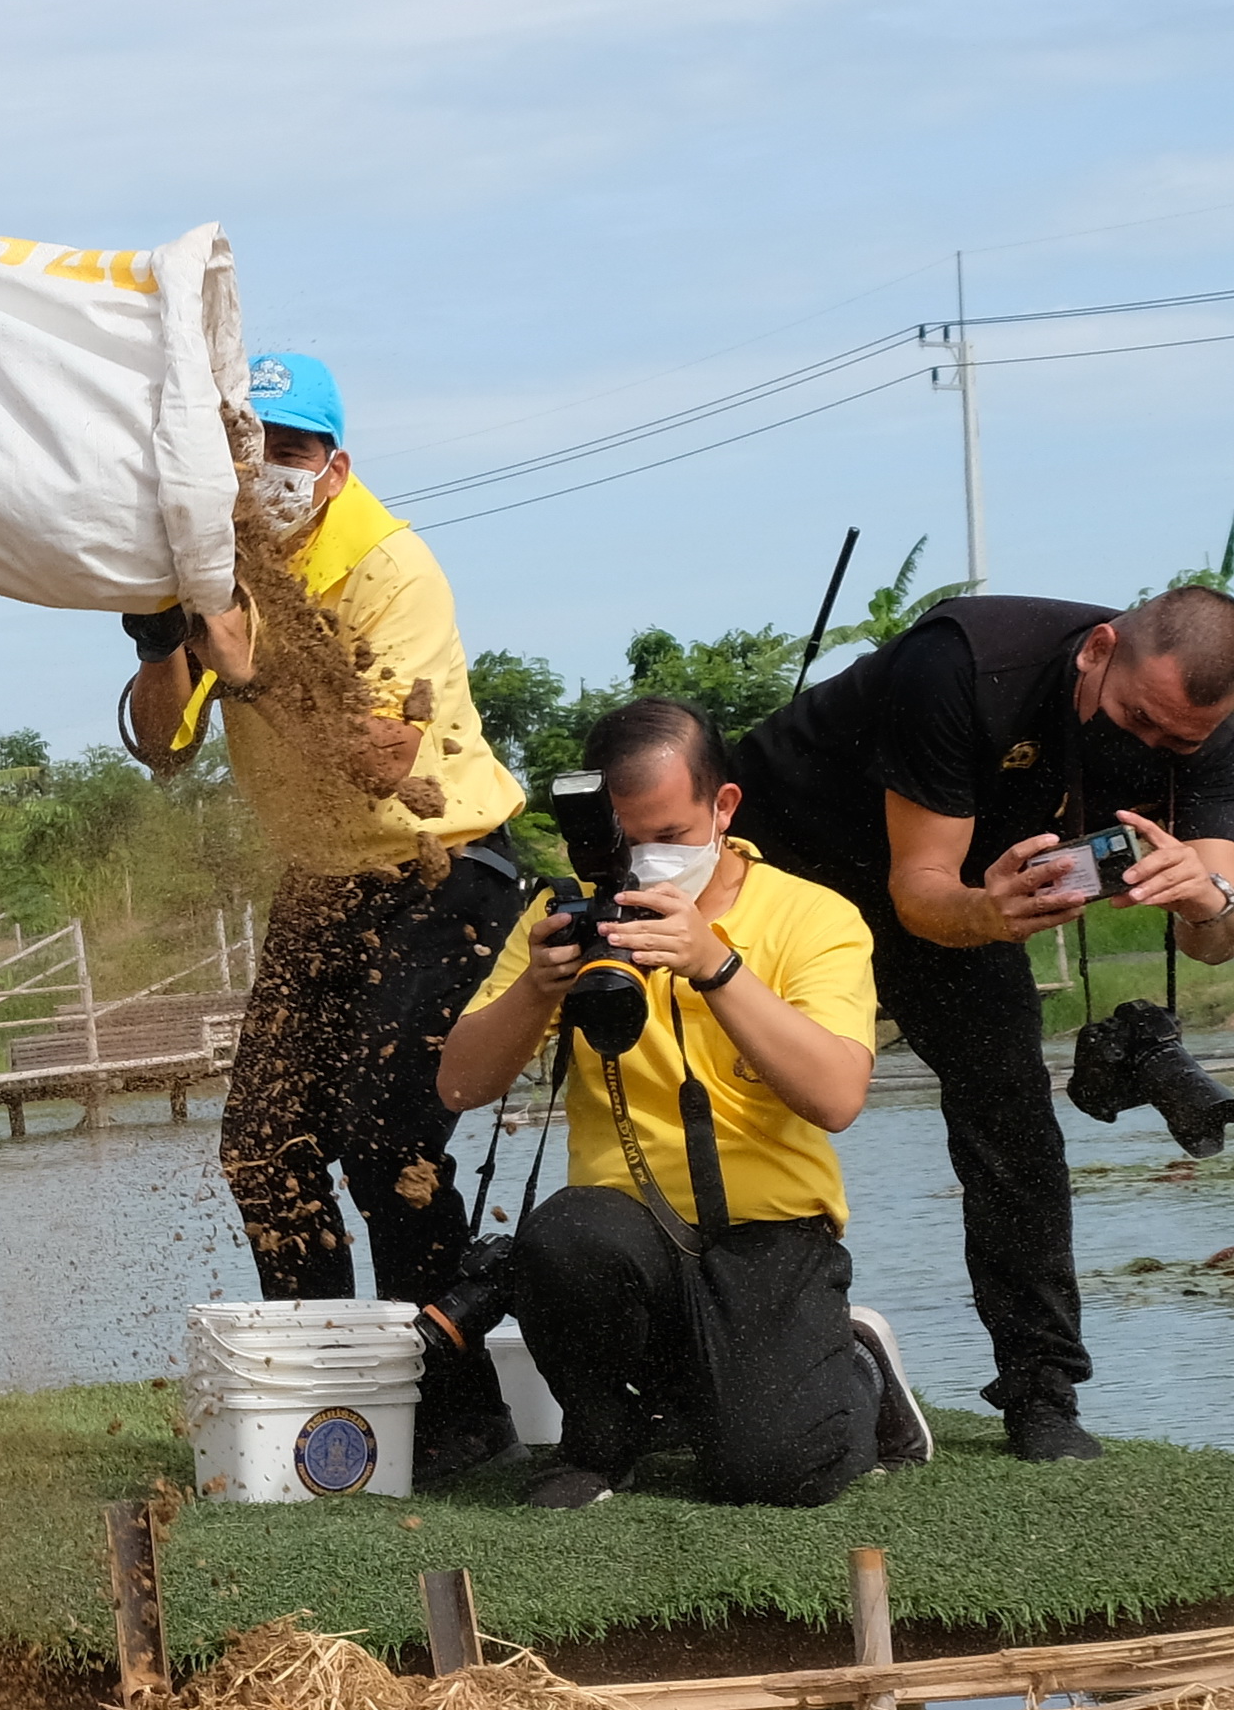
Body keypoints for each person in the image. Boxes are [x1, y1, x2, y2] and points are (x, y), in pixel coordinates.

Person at [119, 351, 528, 1476]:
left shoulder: (391, 565)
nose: (267, 475)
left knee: (386, 1138)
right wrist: (159, 643)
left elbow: (384, 759)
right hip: (322, 884)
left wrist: (252, 677)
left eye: (290, 452)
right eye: (248, 454)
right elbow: (161, 745)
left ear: (335, 466)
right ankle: (334, 1403)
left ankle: (462, 1419)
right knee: (262, 1149)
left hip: (442, 868)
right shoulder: (215, 566)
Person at [730, 586, 1234, 1459]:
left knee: (1012, 1113)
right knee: (732, 1097)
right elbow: (917, 892)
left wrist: (1208, 898)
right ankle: (711, 1354)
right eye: (1136, 720)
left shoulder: (1214, 728)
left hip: (970, 884)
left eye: (1175, 743)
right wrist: (990, 915)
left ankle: (1042, 1393)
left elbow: (1214, 942)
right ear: (1097, 651)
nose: (1149, 747)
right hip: (799, 860)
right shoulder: (965, 664)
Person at [438, 696, 916, 1508]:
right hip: (622, 1240)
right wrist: (537, 988)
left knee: (772, 1472)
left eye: (668, 834)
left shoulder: (812, 915)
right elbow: (460, 1085)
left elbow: (838, 1098)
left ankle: (857, 1366)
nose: (644, 861)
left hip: (768, 1236)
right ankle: (600, 1442)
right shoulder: (564, 915)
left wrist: (714, 966)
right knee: (561, 1234)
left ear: (723, 806)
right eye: (623, 841)